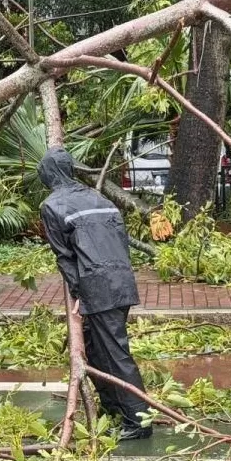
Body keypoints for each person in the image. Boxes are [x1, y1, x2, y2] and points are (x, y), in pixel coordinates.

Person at [37, 146, 152, 440]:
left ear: (48, 174)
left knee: (114, 353)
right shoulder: (99, 199)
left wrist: (78, 294)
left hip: (96, 286)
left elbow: (65, 257)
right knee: (97, 348)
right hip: (121, 279)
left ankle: (138, 421)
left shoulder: (52, 206)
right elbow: (121, 241)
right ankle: (113, 408)